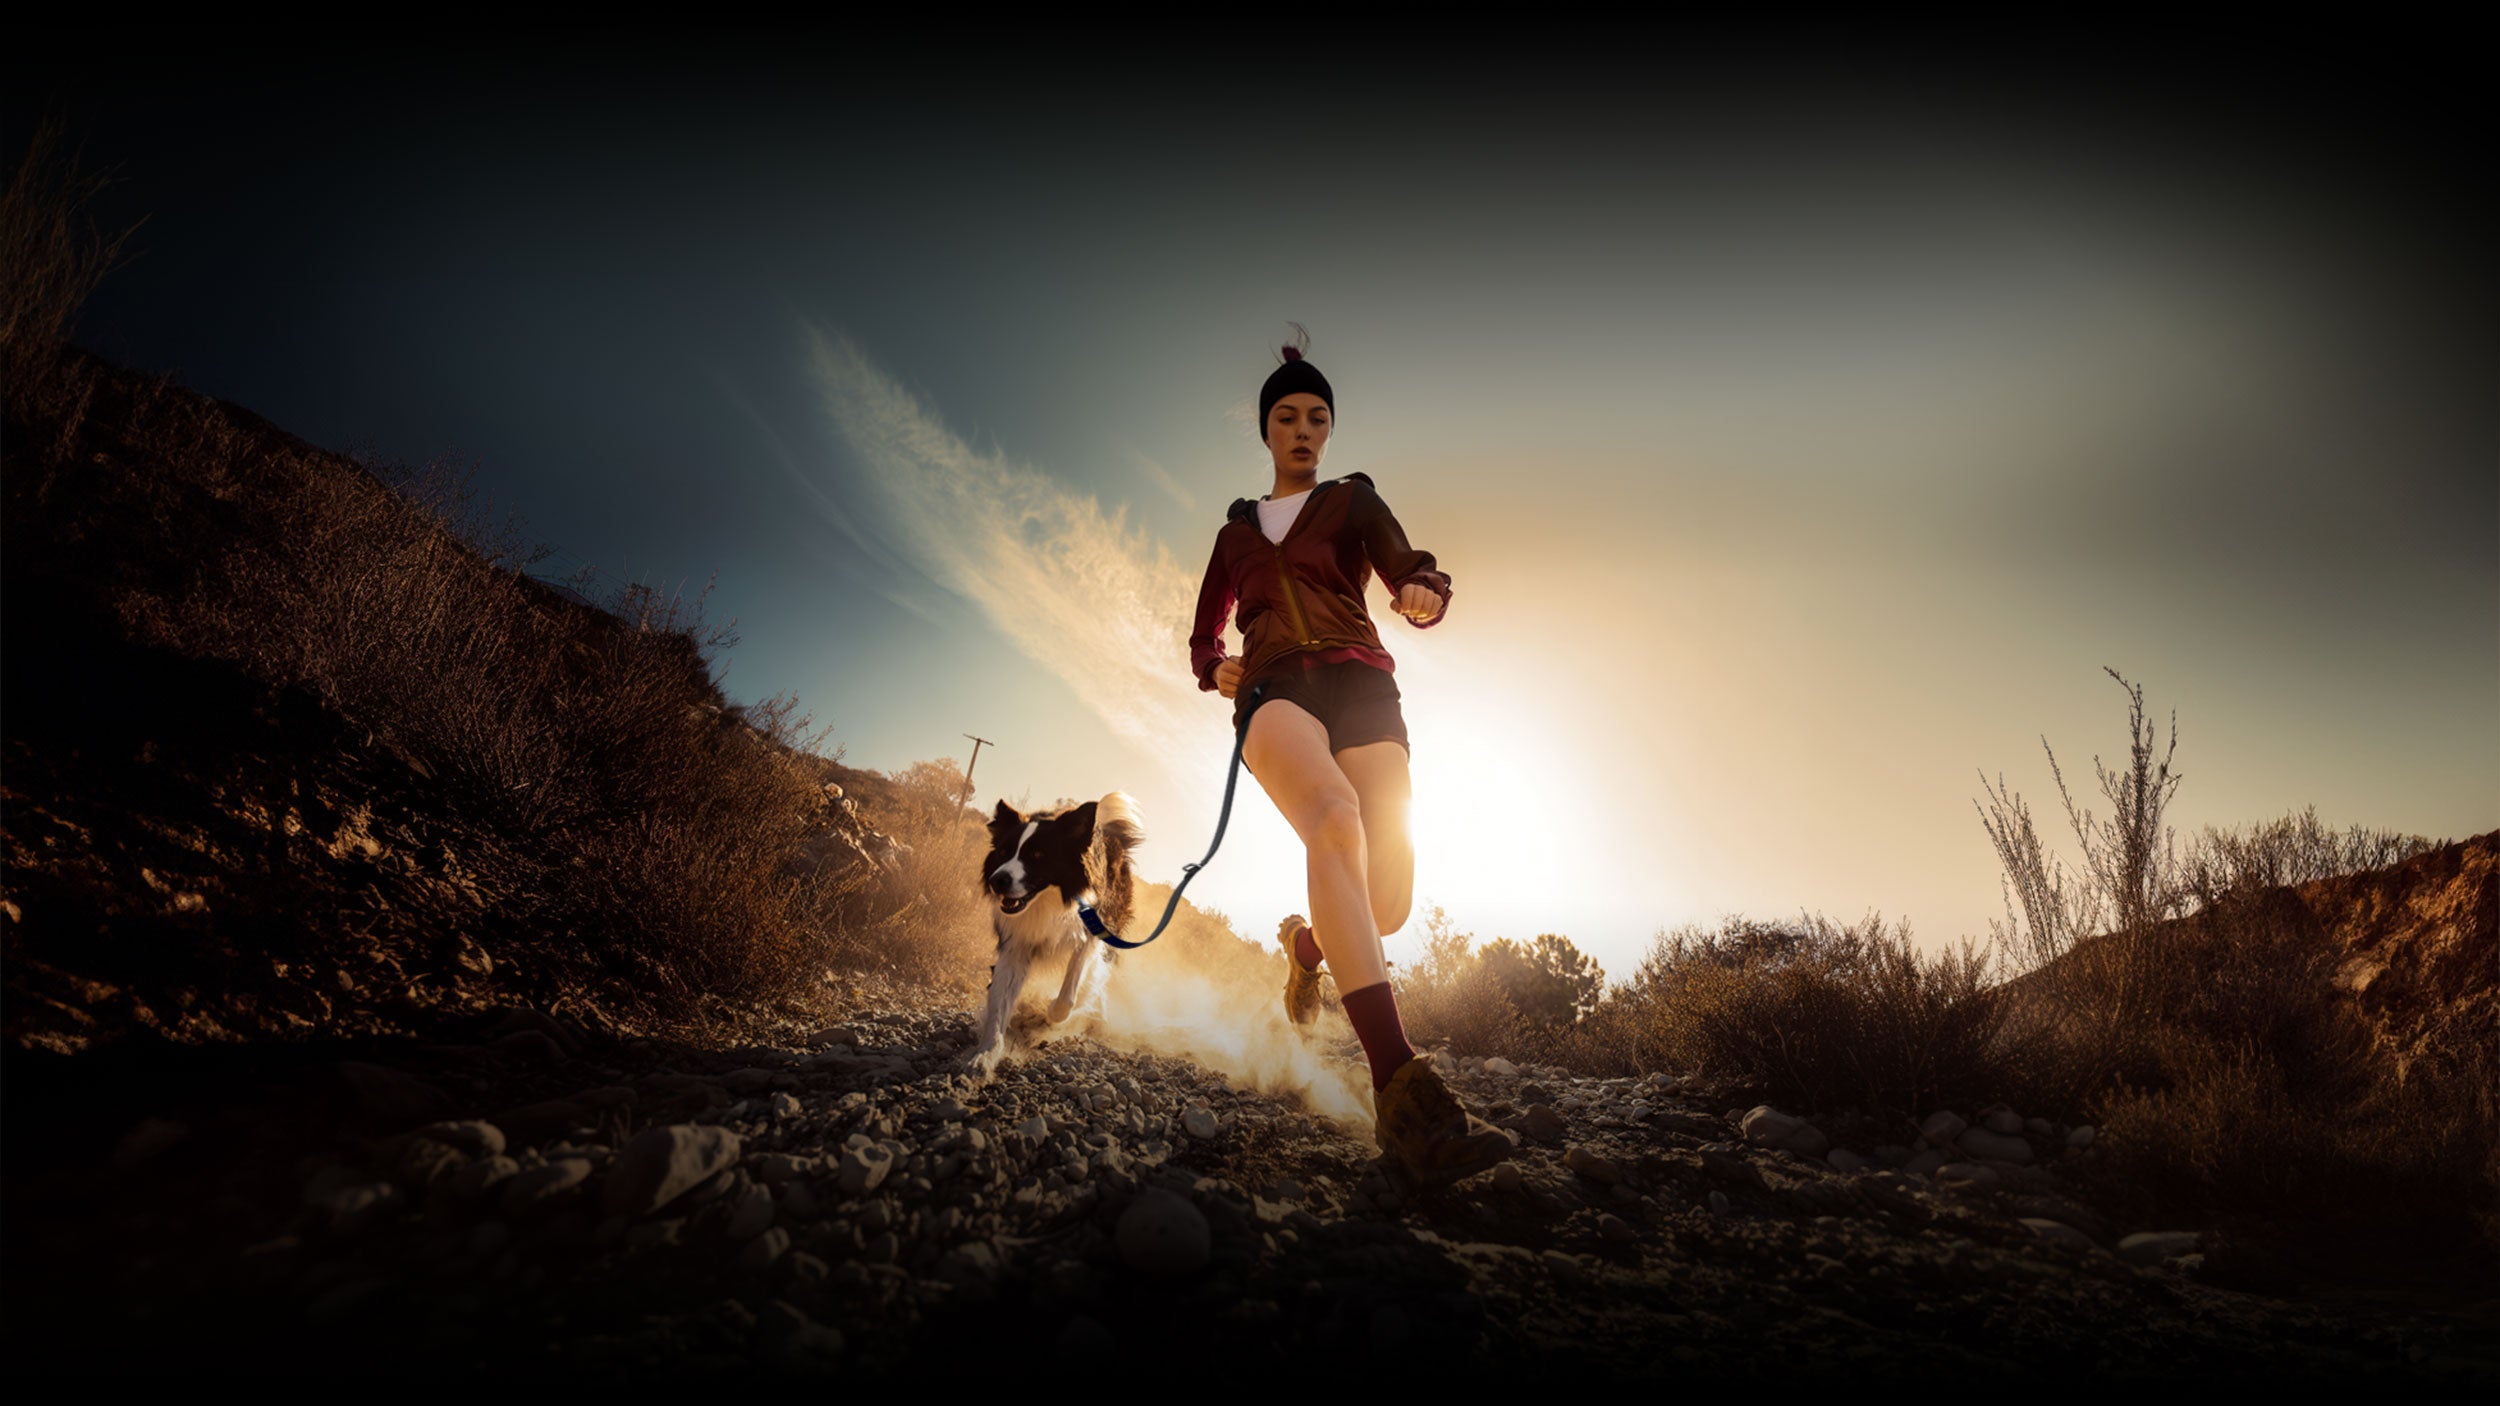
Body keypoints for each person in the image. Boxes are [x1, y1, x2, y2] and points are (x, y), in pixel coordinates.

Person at [1187, 325, 1515, 1189]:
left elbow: (1409, 566)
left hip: (1363, 683)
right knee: (1333, 821)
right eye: (1287, 416)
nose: (1302, 429)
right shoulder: (1235, 535)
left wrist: (1421, 592)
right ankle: (1401, 1091)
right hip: (1274, 691)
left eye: (1317, 417)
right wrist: (1213, 666)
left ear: (1328, 431)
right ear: (1266, 431)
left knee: (1390, 903)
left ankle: (1304, 954)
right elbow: (1202, 630)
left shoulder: (1353, 501)